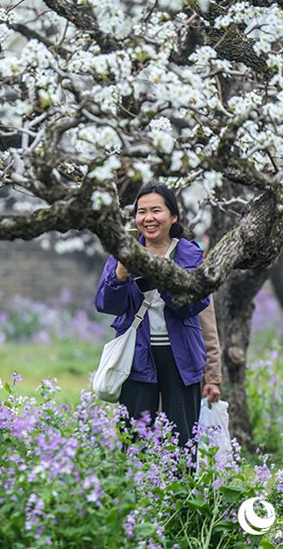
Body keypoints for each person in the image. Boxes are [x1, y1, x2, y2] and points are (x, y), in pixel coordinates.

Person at [95, 184, 215, 447]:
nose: (147, 218)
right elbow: (105, 304)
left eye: (156, 211)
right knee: (135, 436)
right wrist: (120, 275)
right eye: (141, 212)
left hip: (181, 355)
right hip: (137, 354)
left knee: (183, 438)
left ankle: (182, 488)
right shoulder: (124, 252)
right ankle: (136, 486)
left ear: (173, 217)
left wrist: (159, 275)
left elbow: (192, 306)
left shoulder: (190, 254)